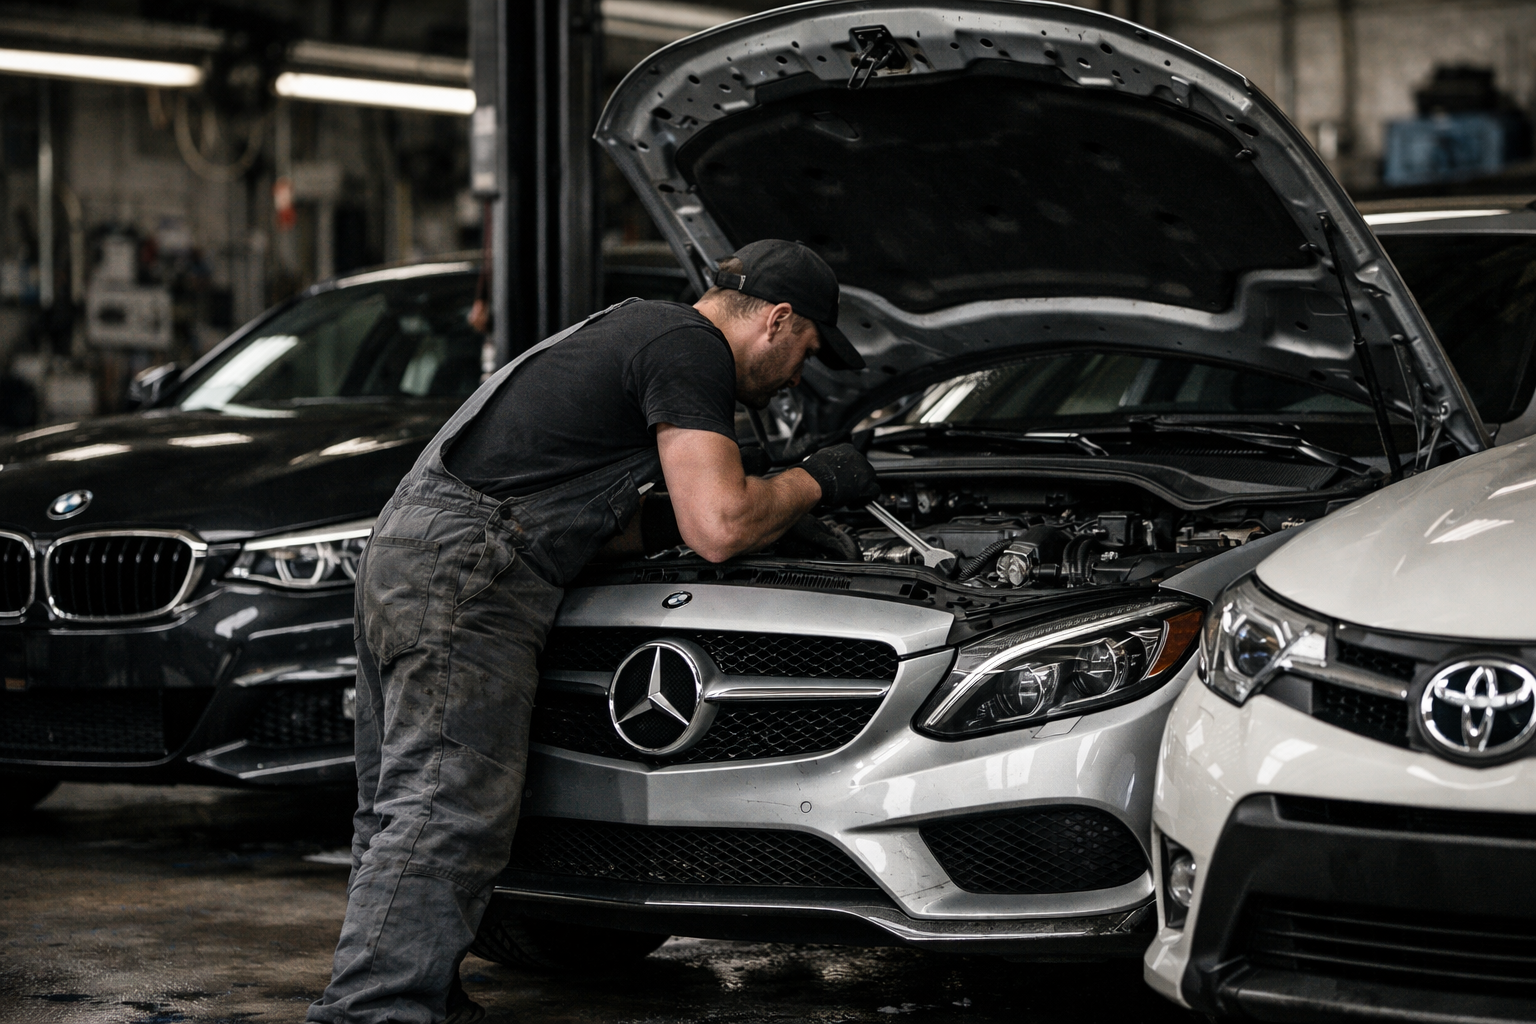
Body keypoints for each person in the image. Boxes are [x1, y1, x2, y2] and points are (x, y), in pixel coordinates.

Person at [308, 239, 882, 1024]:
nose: (797, 376)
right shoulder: (691, 348)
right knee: (444, 809)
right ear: (778, 320)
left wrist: (732, 518)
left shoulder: (631, 328)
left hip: (409, 552)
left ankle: (413, 993)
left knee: (398, 806)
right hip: (466, 571)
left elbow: (576, 514)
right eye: (806, 352)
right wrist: (814, 482)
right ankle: (376, 1012)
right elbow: (720, 527)